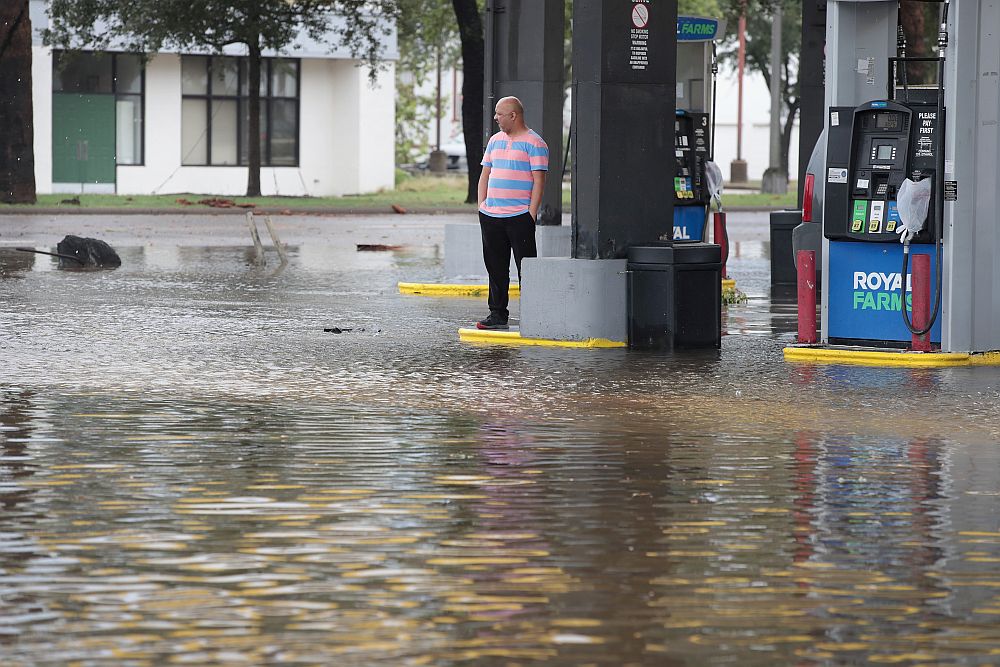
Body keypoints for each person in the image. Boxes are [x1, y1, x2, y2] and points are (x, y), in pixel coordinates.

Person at [475, 96, 549, 330]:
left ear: (513, 116)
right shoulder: (495, 141)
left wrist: (531, 214)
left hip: (519, 217)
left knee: (526, 267)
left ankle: (533, 316)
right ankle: (497, 315)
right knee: (495, 267)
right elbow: (485, 175)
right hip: (491, 216)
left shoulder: (535, 143)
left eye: (499, 114)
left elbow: (539, 181)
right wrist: (481, 206)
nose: (495, 118)